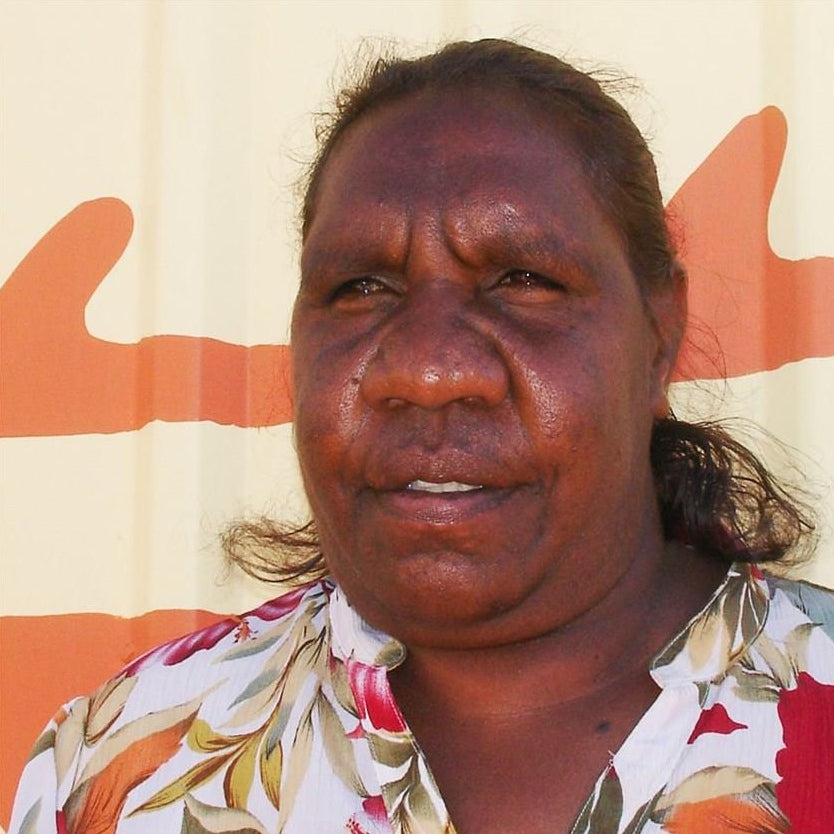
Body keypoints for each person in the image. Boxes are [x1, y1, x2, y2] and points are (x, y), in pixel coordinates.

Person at [9, 39, 834, 834]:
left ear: (659, 337)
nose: (428, 371)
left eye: (524, 280)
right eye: (362, 287)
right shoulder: (120, 770)